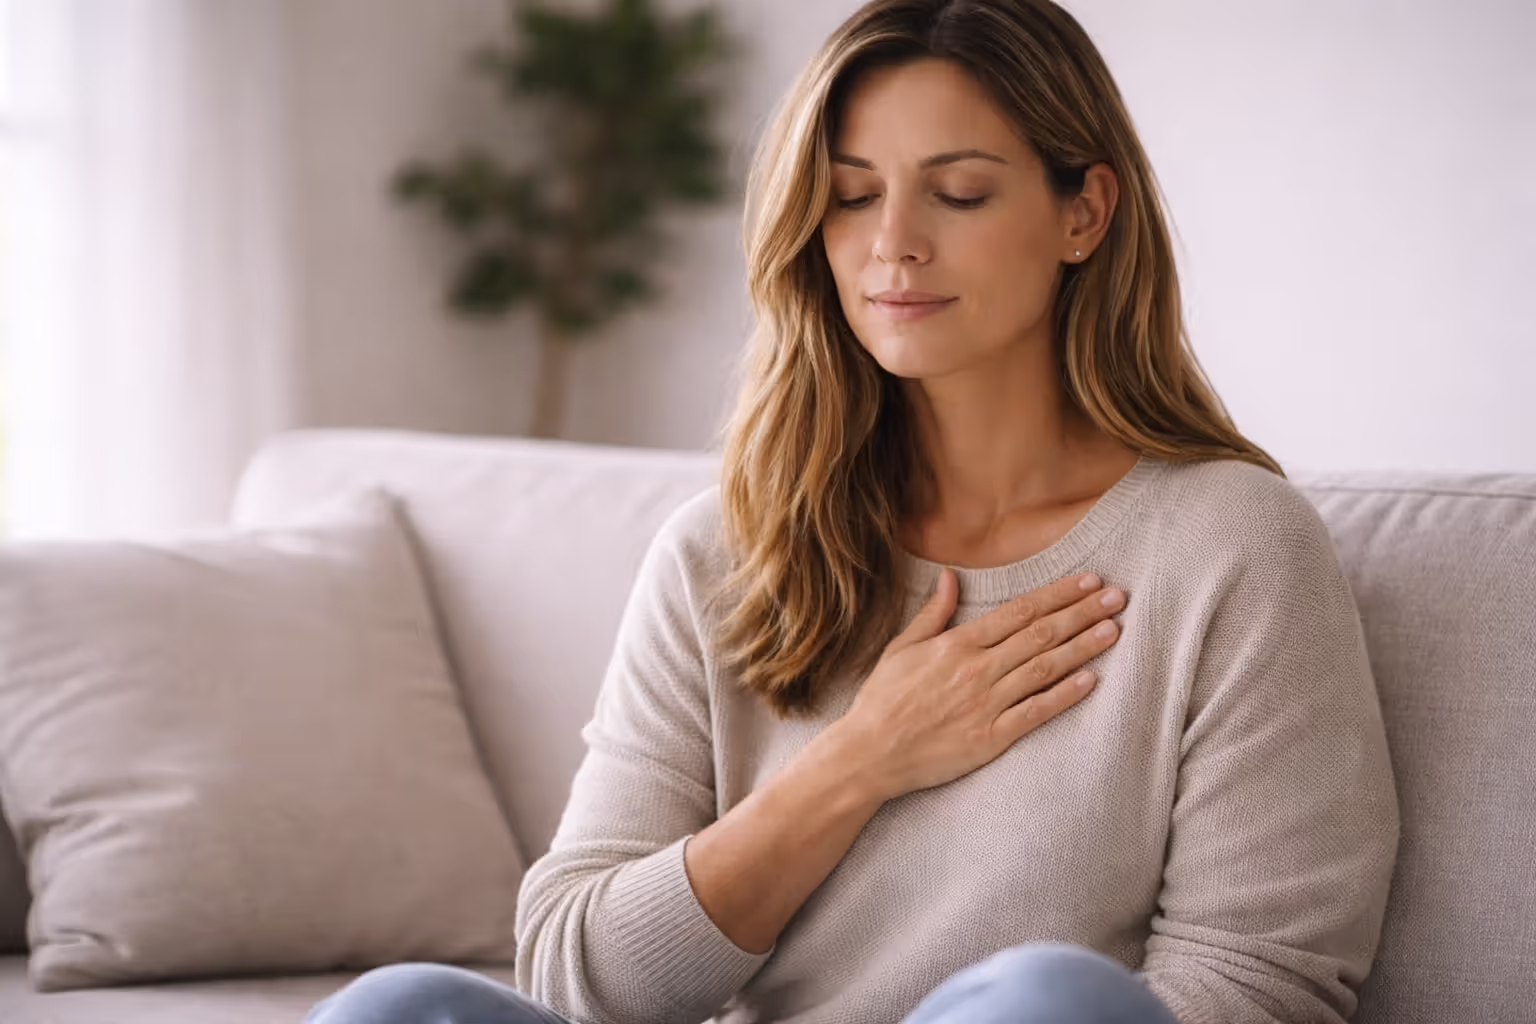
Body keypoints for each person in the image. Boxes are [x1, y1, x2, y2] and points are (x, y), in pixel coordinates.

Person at [306, 0, 1400, 1021]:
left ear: (1085, 213)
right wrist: (863, 755)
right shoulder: (722, 552)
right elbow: (577, 969)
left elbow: (1259, 982)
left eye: (959, 192)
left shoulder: (1232, 548)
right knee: (400, 1007)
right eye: (851, 194)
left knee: (1050, 998)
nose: (893, 244)